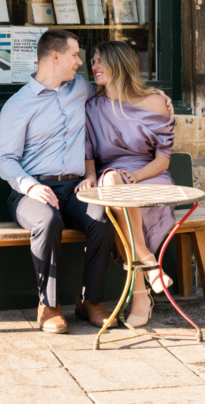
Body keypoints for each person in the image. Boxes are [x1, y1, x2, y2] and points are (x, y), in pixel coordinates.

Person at [0, 28, 112, 333]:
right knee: (48, 222)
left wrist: (157, 96)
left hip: (74, 188)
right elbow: (5, 160)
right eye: (75, 55)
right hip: (30, 191)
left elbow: (117, 88)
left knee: (101, 217)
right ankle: (48, 306)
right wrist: (31, 186)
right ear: (55, 57)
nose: (80, 62)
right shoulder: (18, 105)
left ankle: (90, 301)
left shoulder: (81, 89)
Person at [81, 40, 175, 328]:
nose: (93, 66)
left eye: (98, 61)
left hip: (151, 177)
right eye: (92, 61)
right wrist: (89, 176)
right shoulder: (92, 107)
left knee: (117, 189)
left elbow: (163, 160)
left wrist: (136, 177)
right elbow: (88, 155)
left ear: (117, 64)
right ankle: (145, 268)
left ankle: (140, 289)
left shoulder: (156, 101)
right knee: (111, 180)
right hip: (113, 180)